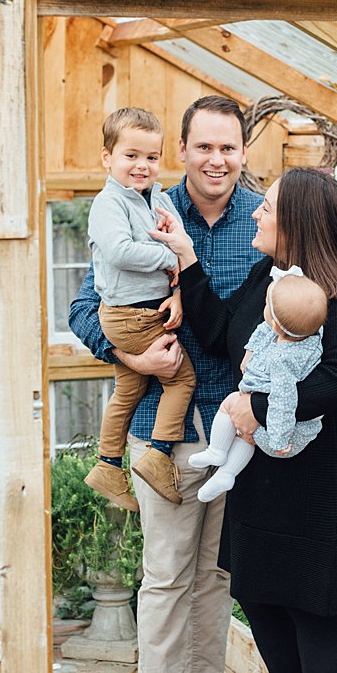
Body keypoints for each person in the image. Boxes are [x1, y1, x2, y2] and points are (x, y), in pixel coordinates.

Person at [153, 167, 337, 673]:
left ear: (300, 222)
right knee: (259, 594)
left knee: (312, 607)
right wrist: (189, 261)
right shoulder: (269, 277)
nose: (256, 213)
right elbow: (223, 335)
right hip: (265, 472)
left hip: (324, 479)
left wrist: (256, 408)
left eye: (269, 208)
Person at [69, 95, 261, 673]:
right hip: (164, 426)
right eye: (203, 147)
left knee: (217, 575)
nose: (216, 160)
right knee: (166, 574)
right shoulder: (143, 202)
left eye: (228, 148)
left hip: (236, 428)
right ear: (184, 150)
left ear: (244, 152)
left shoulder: (262, 220)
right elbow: (85, 305)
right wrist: (128, 356)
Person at [83, 107, 195, 512]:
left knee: (127, 391)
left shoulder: (159, 199)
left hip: (144, 310)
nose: (142, 165)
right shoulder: (108, 204)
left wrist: (178, 284)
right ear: (107, 157)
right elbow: (120, 251)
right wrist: (170, 257)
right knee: (180, 379)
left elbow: (180, 246)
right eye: (131, 155)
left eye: (151, 156)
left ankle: (108, 464)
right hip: (130, 315)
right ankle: (158, 455)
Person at [188, 269, 328, 503]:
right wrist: (250, 351)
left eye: (266, 304)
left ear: (277, 325)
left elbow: (284, 400)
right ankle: (226, 474)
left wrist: (279, 439)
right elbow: (264, 329)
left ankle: (217, 451)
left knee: (231, 403)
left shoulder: (282, 360)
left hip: (285, 436)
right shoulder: (311, 334)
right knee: (244, 437)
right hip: (278, 428)